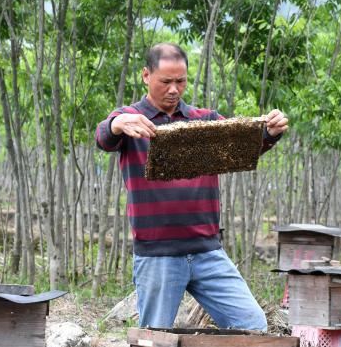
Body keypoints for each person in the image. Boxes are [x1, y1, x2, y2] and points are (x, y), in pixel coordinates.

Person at [95, 42, 288, 330]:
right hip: (157, 254)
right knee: (154, 341)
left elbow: (243, 145)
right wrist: (117, 123)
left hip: (207, 251)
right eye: (166, 81)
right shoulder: (132, 119)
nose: (174, 89)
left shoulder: (205, 120)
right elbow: (103, 136)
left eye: (181, 81)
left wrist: (269, 133)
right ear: (146, 76)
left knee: (252, 325)